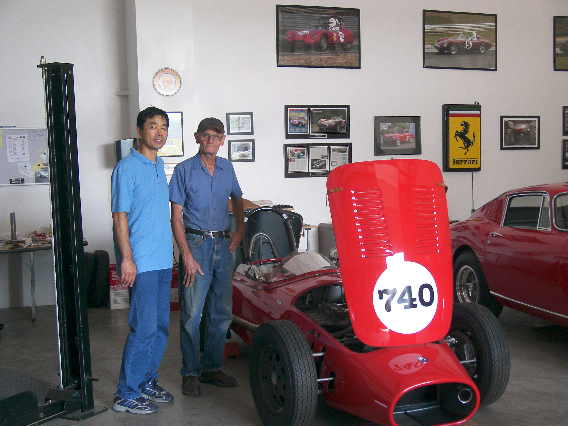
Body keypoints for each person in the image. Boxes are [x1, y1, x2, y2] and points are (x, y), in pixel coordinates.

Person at [169, 117, 244, 397]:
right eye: (206, 135)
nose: (211, 140)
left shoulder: (227, 168)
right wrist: (186, 254)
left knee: (221, 313)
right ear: (197, 137)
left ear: (223, 140)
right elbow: (175, 217)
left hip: (223, 247)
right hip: (196, 245)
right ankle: (190, 372)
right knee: (191, 314)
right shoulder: (184, 170)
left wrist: (239, 231)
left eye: (217, 135)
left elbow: (238, 199)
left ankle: (212, 368)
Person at [111, 106, 174, 414]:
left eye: (163, 127)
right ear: (140, 131)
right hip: (142, 262)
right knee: (144, 328)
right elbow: (119, 216)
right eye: (153, 126)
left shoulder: (158, 165)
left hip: (163, 260)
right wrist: (126, 259)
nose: (159, 132)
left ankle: (147, 380)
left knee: (161, 327)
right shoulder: (126, 168)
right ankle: (127, 392)